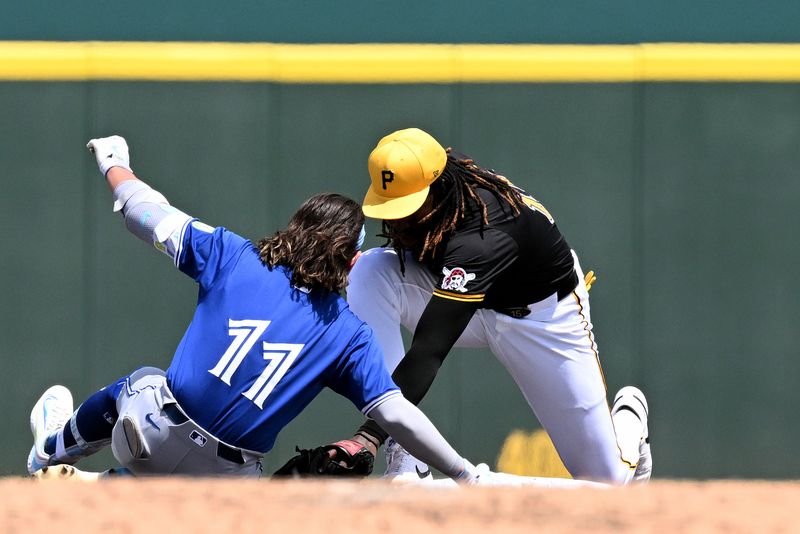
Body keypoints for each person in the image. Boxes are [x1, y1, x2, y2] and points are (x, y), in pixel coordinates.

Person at [26, 134, 482, 482]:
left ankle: (52, 450)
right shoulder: (348, 334)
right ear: (351, 260)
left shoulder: (233, 255)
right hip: (231, 480)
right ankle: (101, 484)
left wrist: (114, 162)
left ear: (296, 226)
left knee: (142, 380)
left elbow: (140, 212)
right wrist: (463, 473)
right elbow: (398, 415)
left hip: (150, 433)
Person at [330, 127, 652, 484]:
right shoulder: (447, 193)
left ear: (437, 188)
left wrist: (368, 435)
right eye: (390, 207)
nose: (397, 221)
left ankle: (629, 417)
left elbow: (430, 350)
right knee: (370, 272)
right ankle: (404, 454)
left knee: (605, 482)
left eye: (409, 209)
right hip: (468, 303)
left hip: (542, 318)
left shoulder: (482, 237)